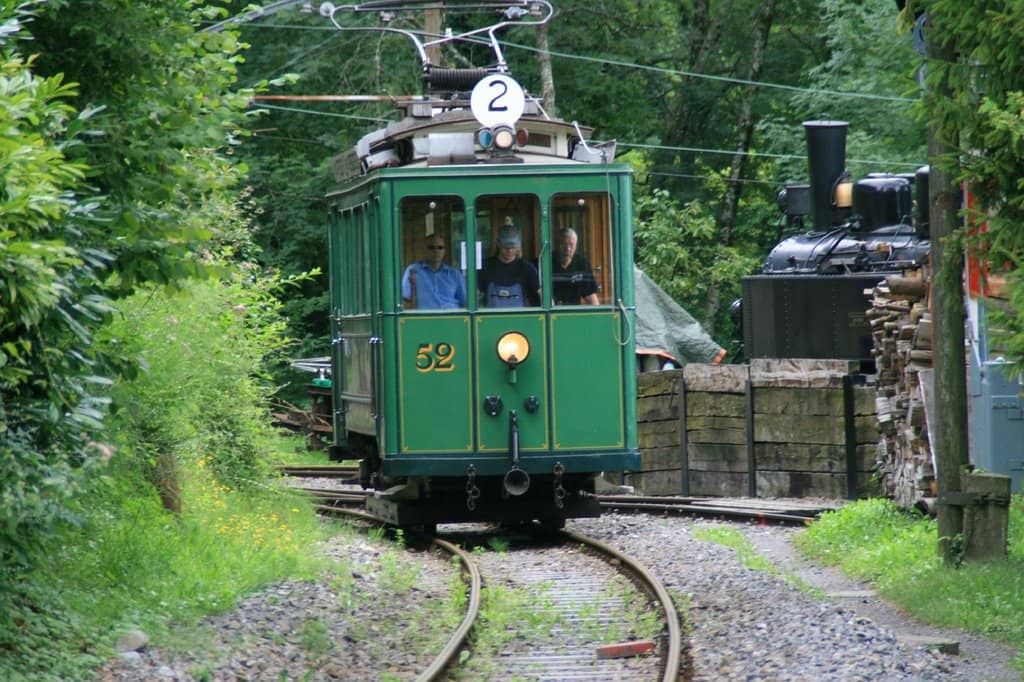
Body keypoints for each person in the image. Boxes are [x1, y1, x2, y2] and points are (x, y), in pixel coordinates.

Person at [478, 222, 540, 307]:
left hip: (519, 315)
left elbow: (541, 293)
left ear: (518, 246)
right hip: (491, 315)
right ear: (498, 243)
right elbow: (474, 294)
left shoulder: (527, 268)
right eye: (506, 248)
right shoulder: (485, 266)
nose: (510, 251)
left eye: (513, 247)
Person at [401, 234, 467, 309]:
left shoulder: (454, 274)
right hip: (425, 316)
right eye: (431, 247)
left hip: (452, 315)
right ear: (424, 250)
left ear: (444, 251)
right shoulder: (413, 270)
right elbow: (405, 300)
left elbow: (464, 302)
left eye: (440, 247)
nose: (436, 251)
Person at [551, 227, 599, 305]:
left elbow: (590, 294)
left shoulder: (582, 264)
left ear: (576, 246)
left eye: (571, 245)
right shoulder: (546, 263)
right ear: (556, 244)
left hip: (574, 310)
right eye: (563, 244)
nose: (567, 249)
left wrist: (598, 311)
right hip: (553, 309)